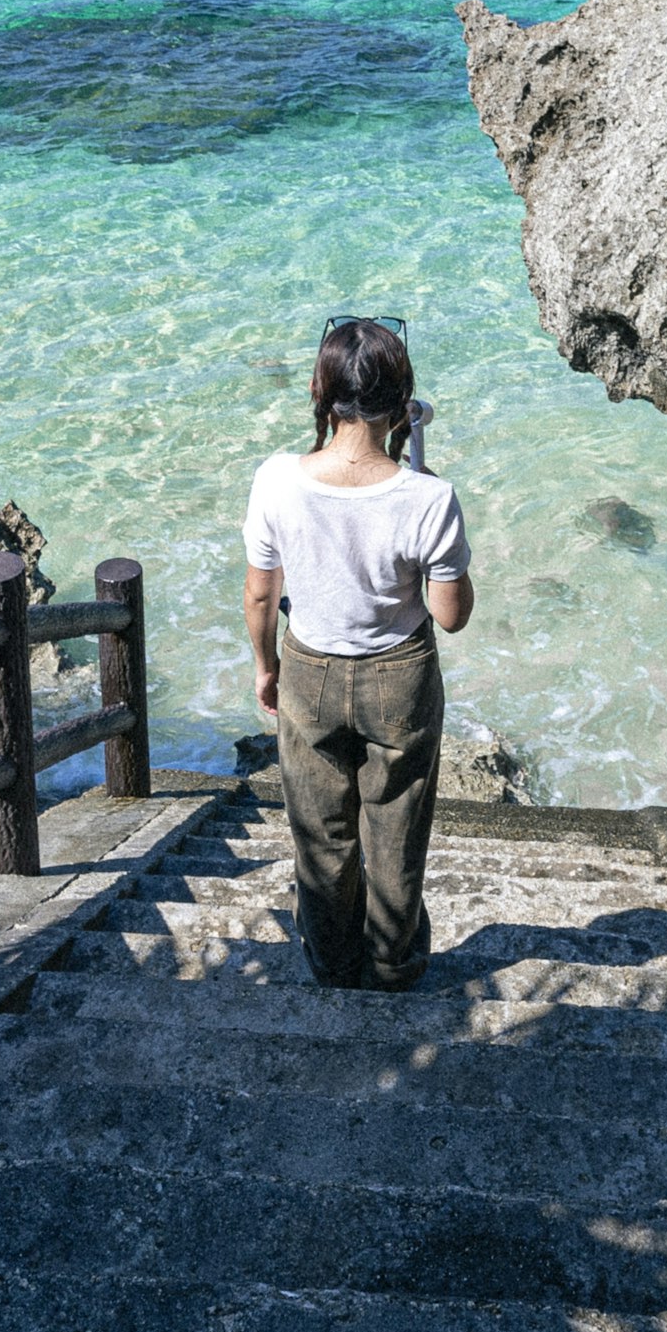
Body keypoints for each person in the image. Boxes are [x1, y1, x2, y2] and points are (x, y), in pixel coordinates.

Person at [244, 317, 473, 990]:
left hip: (308, 668)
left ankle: (334, 965)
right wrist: (422, 459)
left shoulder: (277, 480)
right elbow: (450, 616)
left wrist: (266, 670)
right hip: (399, 677)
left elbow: (261, 598)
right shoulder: (430, 499)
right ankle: (393, 965)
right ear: (403, 403)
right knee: (395, 834)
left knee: (321, 837)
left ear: (322, 391)